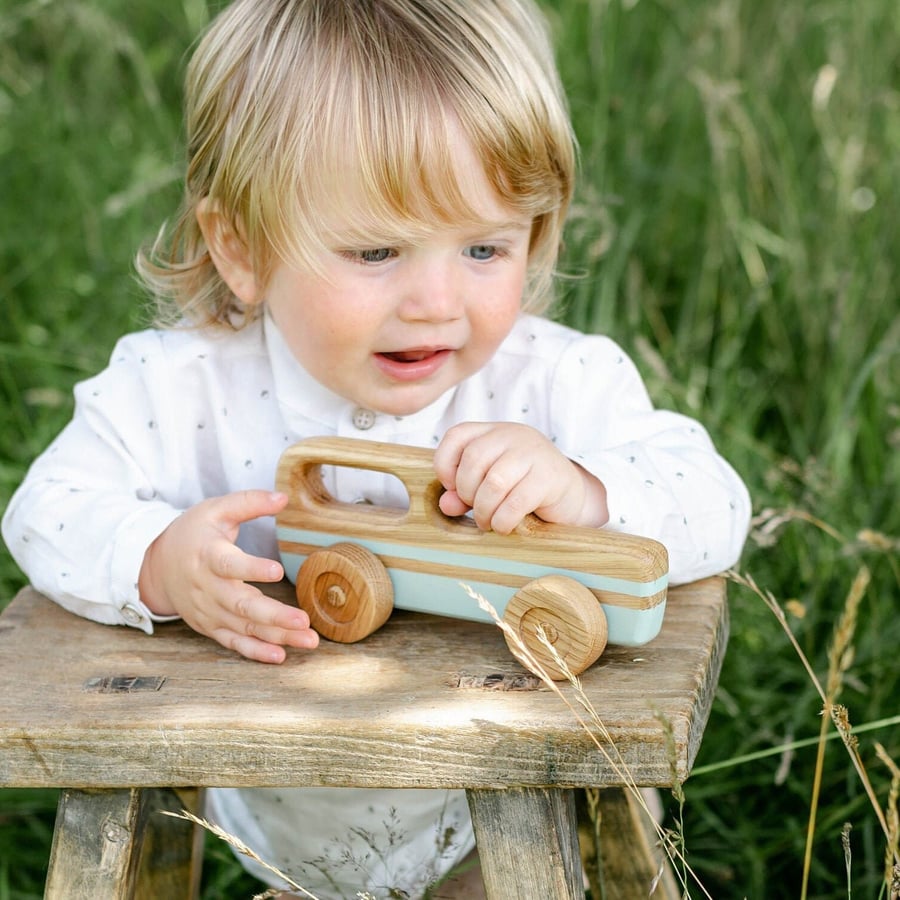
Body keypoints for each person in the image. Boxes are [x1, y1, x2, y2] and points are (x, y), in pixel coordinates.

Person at [2, 0, 751, 896]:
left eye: (484, 247)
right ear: (241, 246)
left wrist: (588, 490)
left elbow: (717, 500)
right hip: (278, 804)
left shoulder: (552, 383)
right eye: (374, 251)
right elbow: (45, 512)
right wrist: (156, 561)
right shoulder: (178, 388)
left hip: (512, 812)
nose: (436, 300)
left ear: (538, 235)